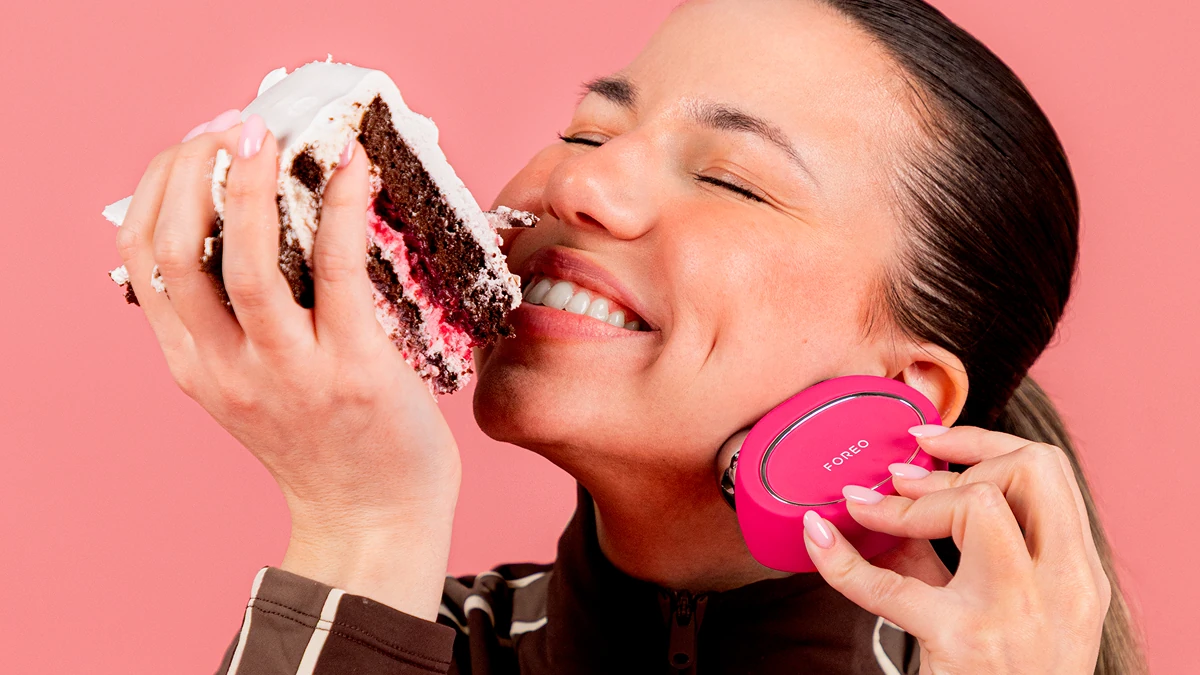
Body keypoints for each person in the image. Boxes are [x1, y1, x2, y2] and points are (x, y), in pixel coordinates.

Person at [114, 0, 1146, 672]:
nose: (580, 183)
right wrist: (363, 527)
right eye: (588, 130)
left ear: (903, 387)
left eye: (733, 179)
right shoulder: (404, 637)